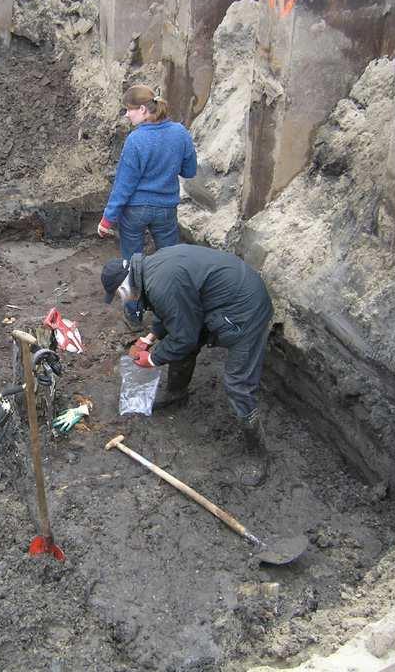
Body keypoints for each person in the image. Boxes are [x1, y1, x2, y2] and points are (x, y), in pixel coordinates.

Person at [102, 244, 273, 485]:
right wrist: (149, 338)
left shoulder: (159, 284)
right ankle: (177, 393)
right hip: (226, 298)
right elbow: (172, 311)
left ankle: (258, 456)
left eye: (119, 295)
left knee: (238, 383)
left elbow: (184, 336)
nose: (123, 300)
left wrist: (152, 358)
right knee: (182, 339)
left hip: (245, 309)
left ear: (124, 285)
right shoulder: (152, 270)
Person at [97, 85, 197, 329]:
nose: (127, 115)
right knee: (171, 264)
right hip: (165, 210)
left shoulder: (136, 140)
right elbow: (190, 171)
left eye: (129, 110)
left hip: (135, 211)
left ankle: (134, 315)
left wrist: (107, 219)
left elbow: (124, 185)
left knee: (131, 264)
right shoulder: (180, 133)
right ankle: (171, 315)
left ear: (142, 109)